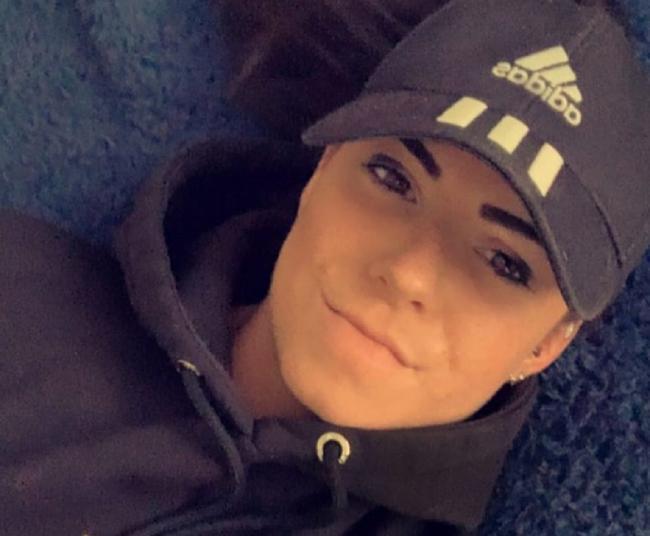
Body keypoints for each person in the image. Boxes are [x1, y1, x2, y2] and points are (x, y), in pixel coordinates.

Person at [0, 1, 647, 535]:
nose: (410, 274)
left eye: (505, 263)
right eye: (392, 178)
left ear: (546, 344)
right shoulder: (22, 292)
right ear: (326, 165)